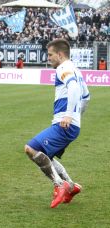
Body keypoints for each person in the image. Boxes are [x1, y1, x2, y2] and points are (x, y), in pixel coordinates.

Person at [24, 38, 90, 208]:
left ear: (60, 55)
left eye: (51, 54)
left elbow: (74, 88)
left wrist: (68, 116)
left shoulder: (63, 68)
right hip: (70, 124)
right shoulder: (74, 68)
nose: (49, 58)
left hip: (65, 123)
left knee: (31, 149)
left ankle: (59, 185)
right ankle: (71, 186)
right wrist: (76, 116)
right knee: (47, 156)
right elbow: (86, 97)